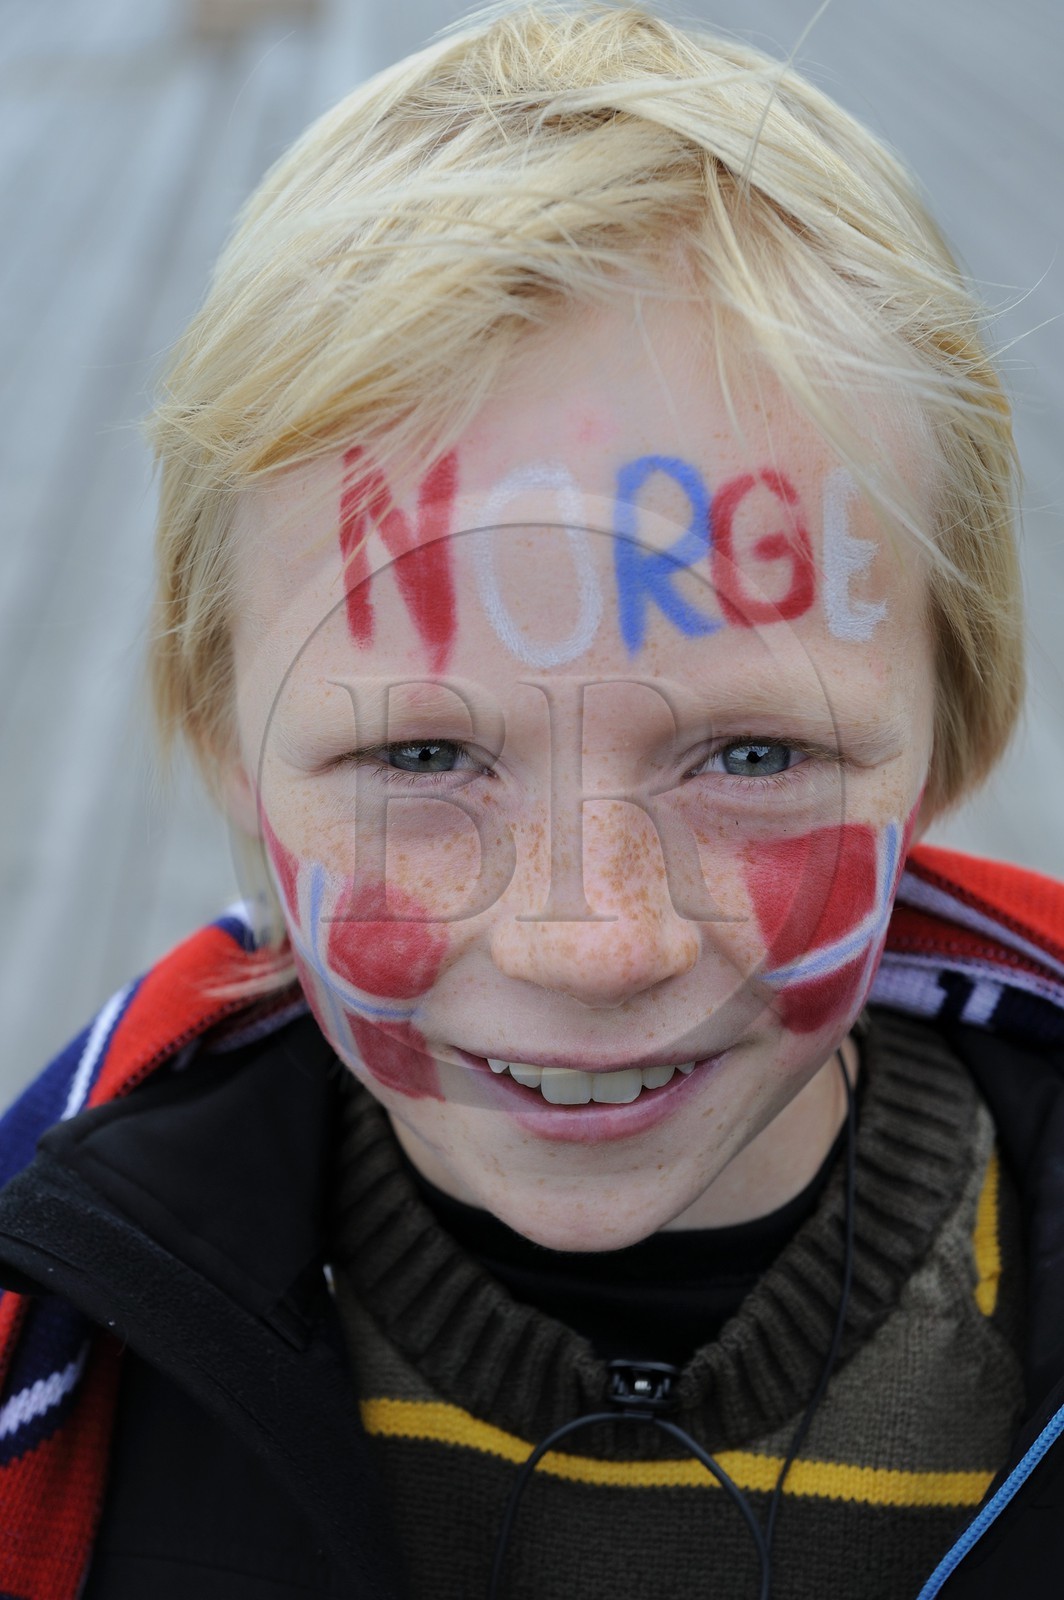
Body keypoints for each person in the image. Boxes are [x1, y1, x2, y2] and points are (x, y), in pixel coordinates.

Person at [1, 4, 1061, 1597]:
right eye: (423, 761)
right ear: (228, 745)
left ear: (951, 739)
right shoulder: (63, 1352)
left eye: (752, 759)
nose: (593, 942)